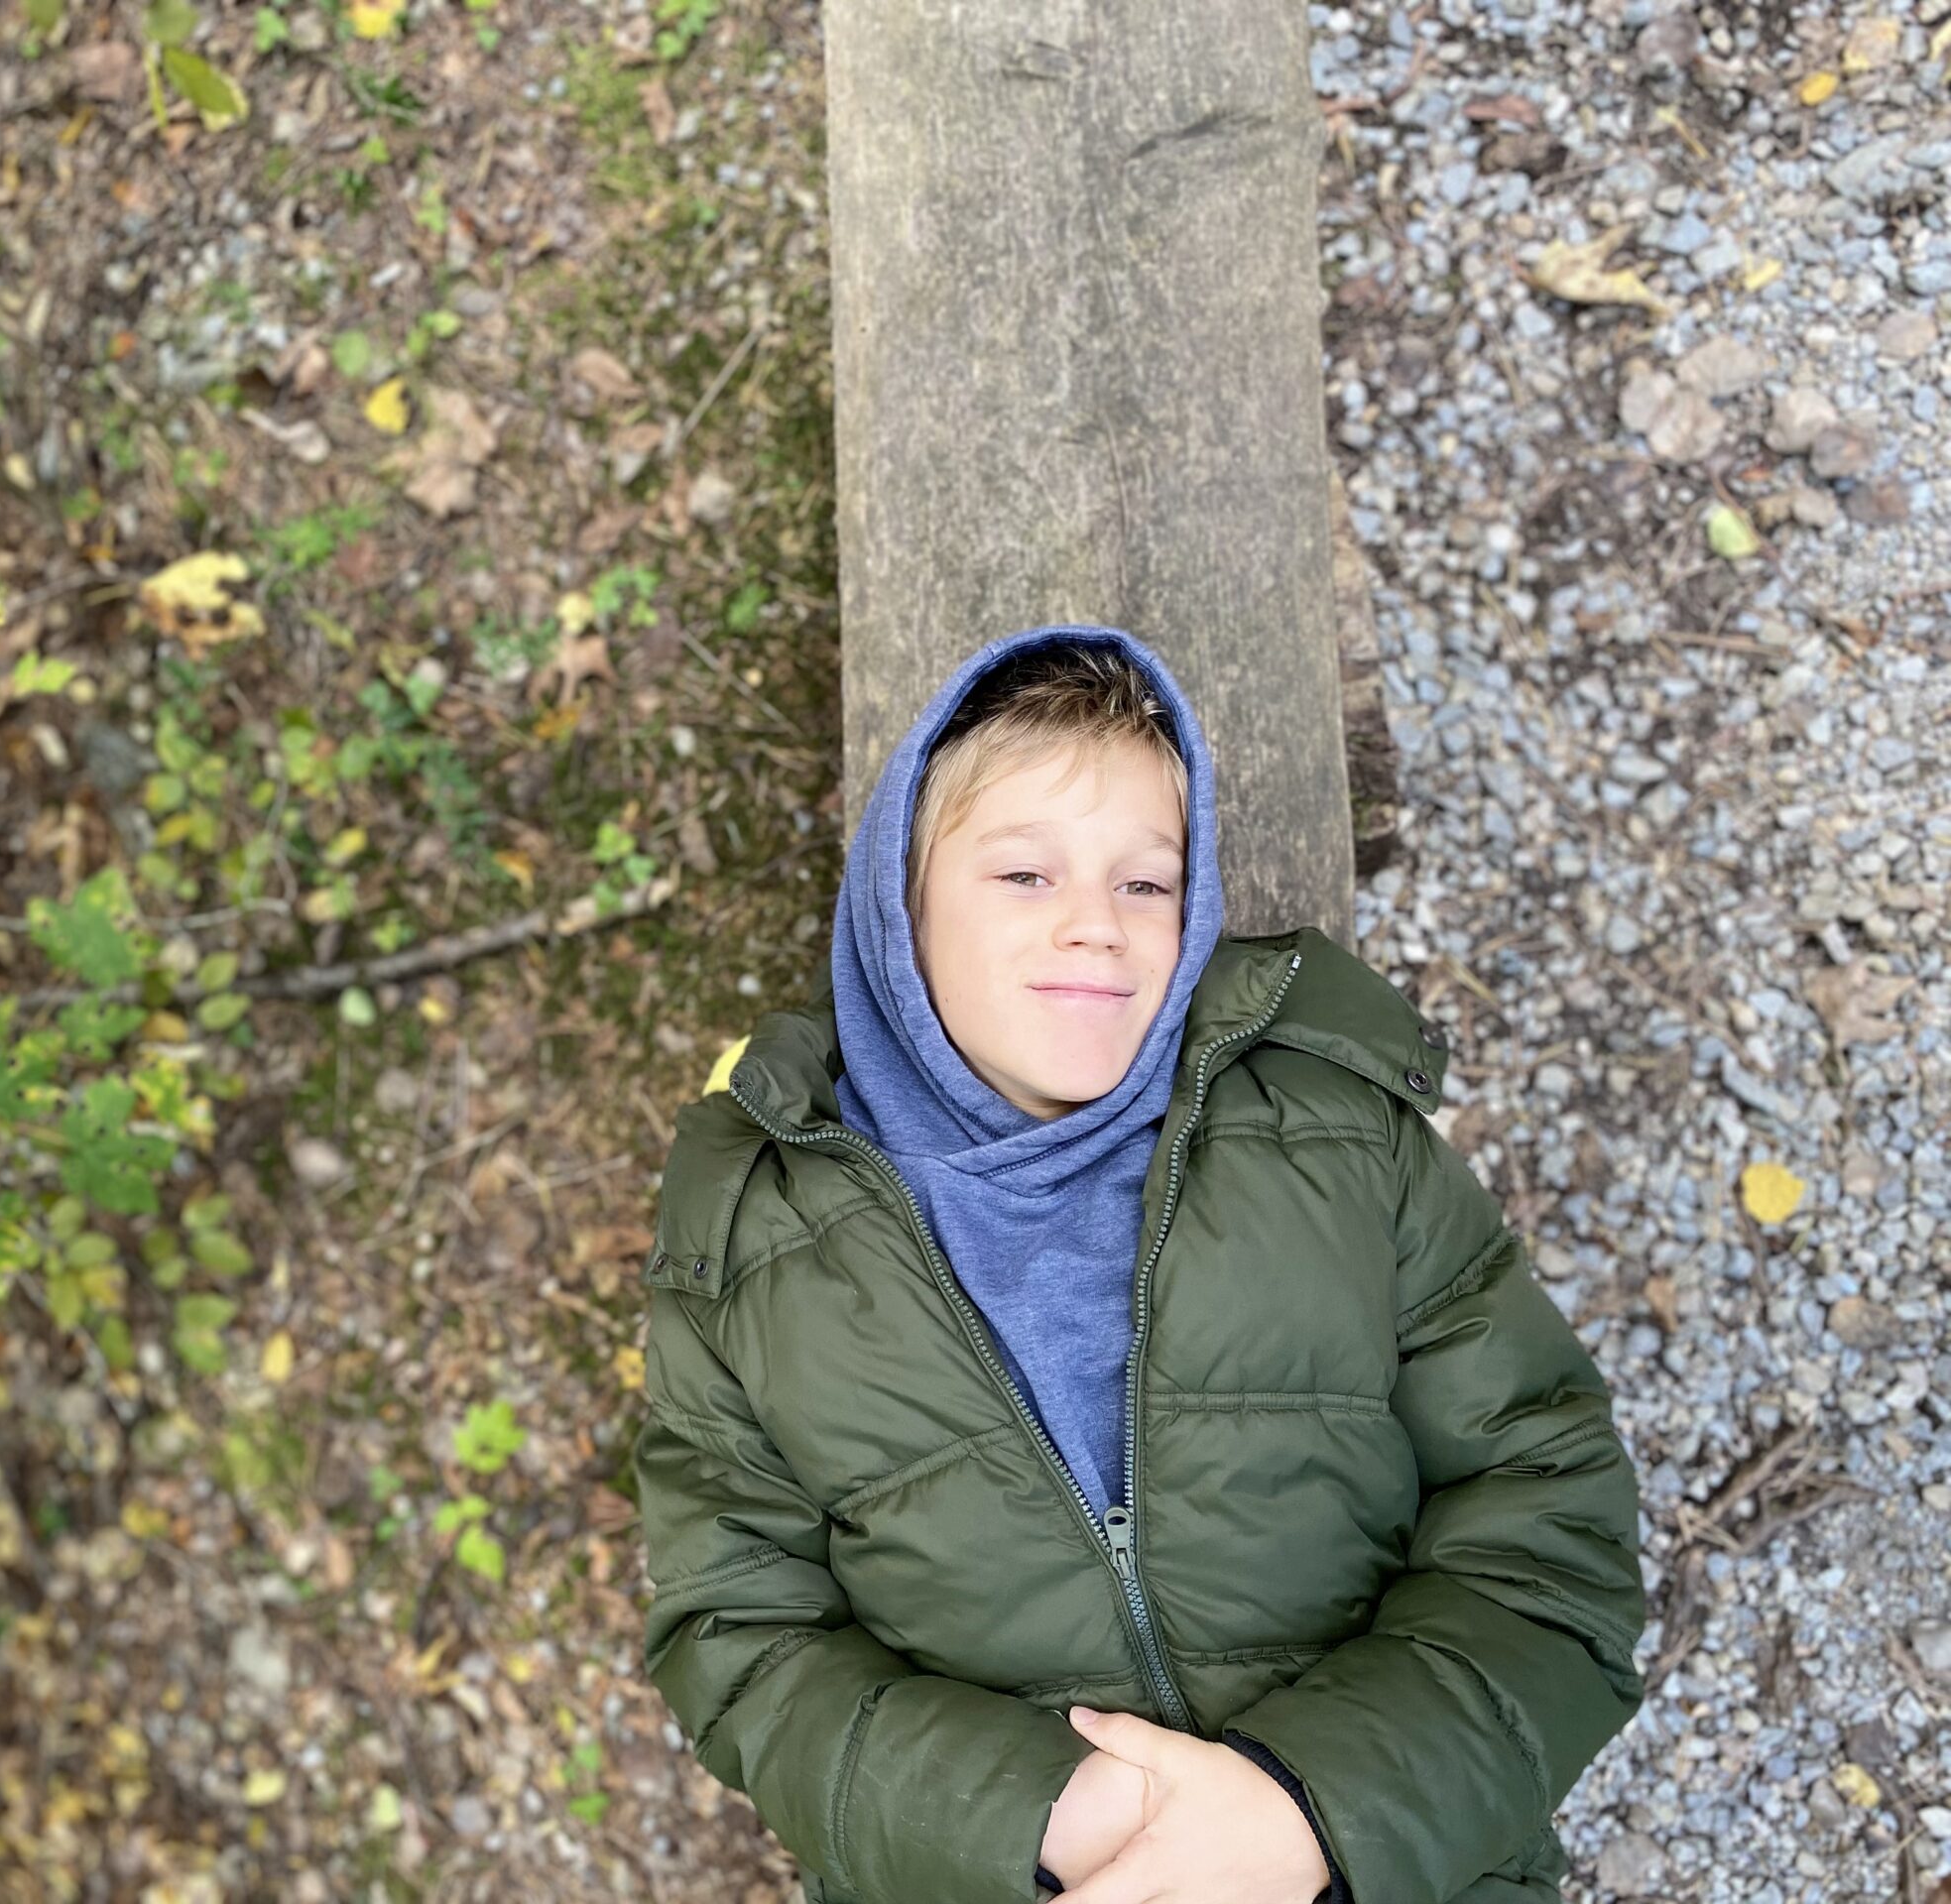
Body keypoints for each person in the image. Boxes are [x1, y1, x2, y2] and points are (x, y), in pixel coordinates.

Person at [631, 625, 1646, 1903]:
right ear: (900, 902)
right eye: (1022, 875)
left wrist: (1309, 1815)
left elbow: (1552, 1518)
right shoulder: (746, 1236)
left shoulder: (1339, 1137)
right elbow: (739, 1639)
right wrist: (1048, 1812)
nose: (1093, 931)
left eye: (1143, 884)